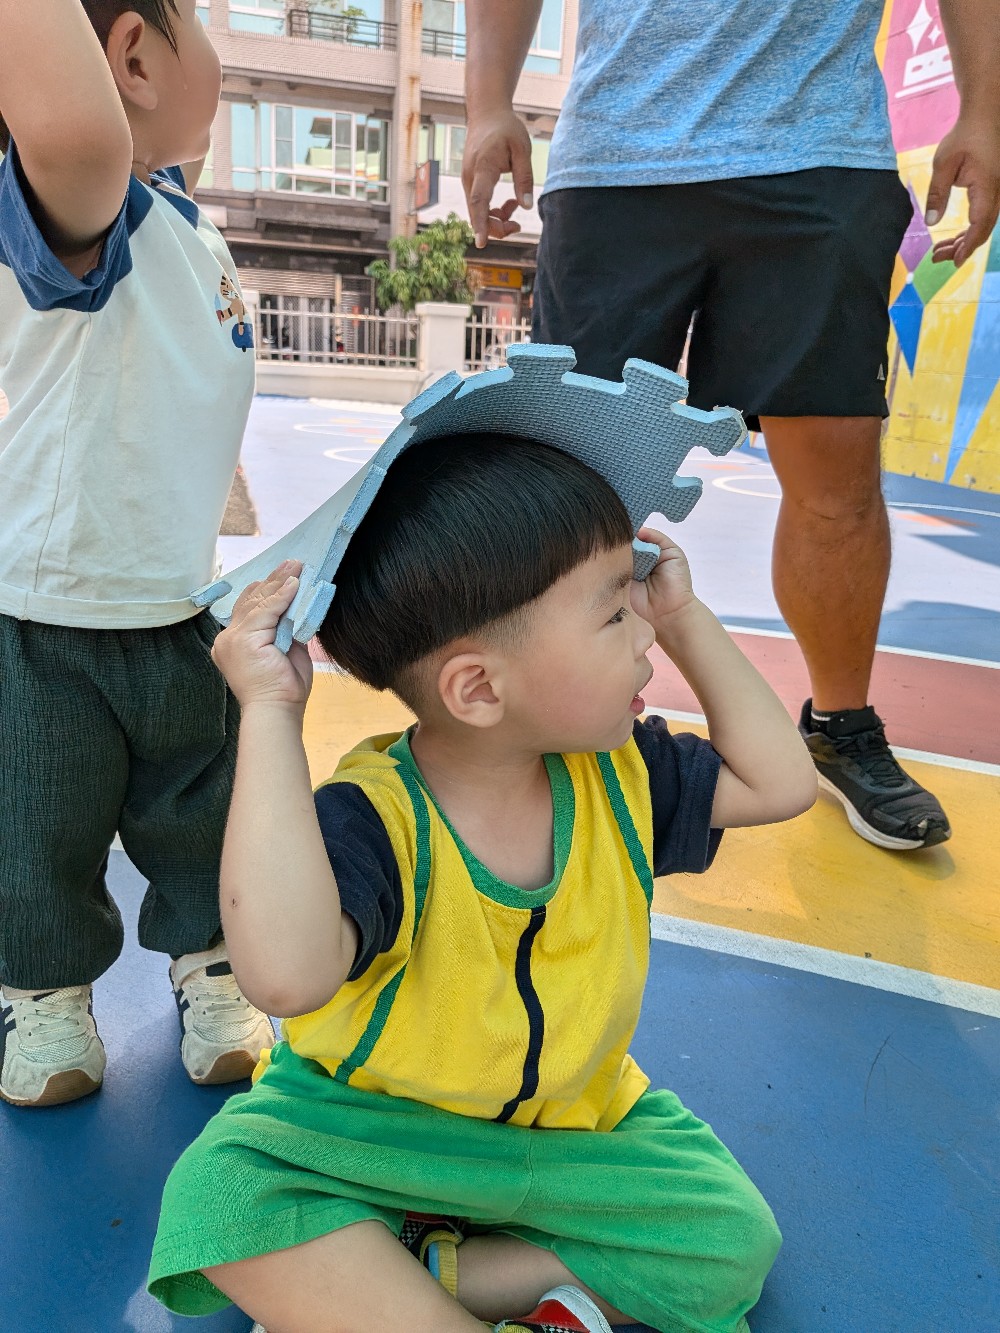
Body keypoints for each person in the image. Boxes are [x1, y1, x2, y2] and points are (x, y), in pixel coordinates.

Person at [147, 434, 816, 1333]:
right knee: (224, 1197)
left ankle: (422, 1274)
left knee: (730, 1237)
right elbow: (284, 977)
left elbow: (782, 782)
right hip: (368, 1133)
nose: (646, 633)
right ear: (478, 689)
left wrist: (687, 615)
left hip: (569, 1130)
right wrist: (269, 709)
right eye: (614, 614)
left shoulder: (624, 777)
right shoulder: (378, 817)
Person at [461, 0, 1000, 852]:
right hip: (618, 156)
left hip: (818, 149)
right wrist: (488, 102)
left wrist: (987, 109)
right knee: (574, 472)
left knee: (835, 476)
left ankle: (841, 726)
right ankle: (549, 716)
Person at [0, 0, 273, 1107]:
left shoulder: (182, 223)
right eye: (197, 20)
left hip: (179, 604)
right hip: (47, 616)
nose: (219, 54)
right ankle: (43, 992)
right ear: (131, 56)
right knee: (37, 827)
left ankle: (213, 966)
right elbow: (77, 133)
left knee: (203, 810)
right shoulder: (87, 209)